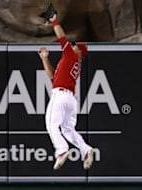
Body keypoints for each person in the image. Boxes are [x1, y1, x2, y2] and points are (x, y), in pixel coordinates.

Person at [38, 13, 94, 170]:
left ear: (79, 52)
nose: (73, 46)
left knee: (51, 124)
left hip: (61, 95)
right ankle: (85, 150)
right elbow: (52, 75)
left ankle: (61, 151)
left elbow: (62, 37)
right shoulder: (71, 62)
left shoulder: (72, 56)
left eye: (75, 46)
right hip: (69, 99)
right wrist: (45, 59)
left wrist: (54, 20)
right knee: (68, 130)